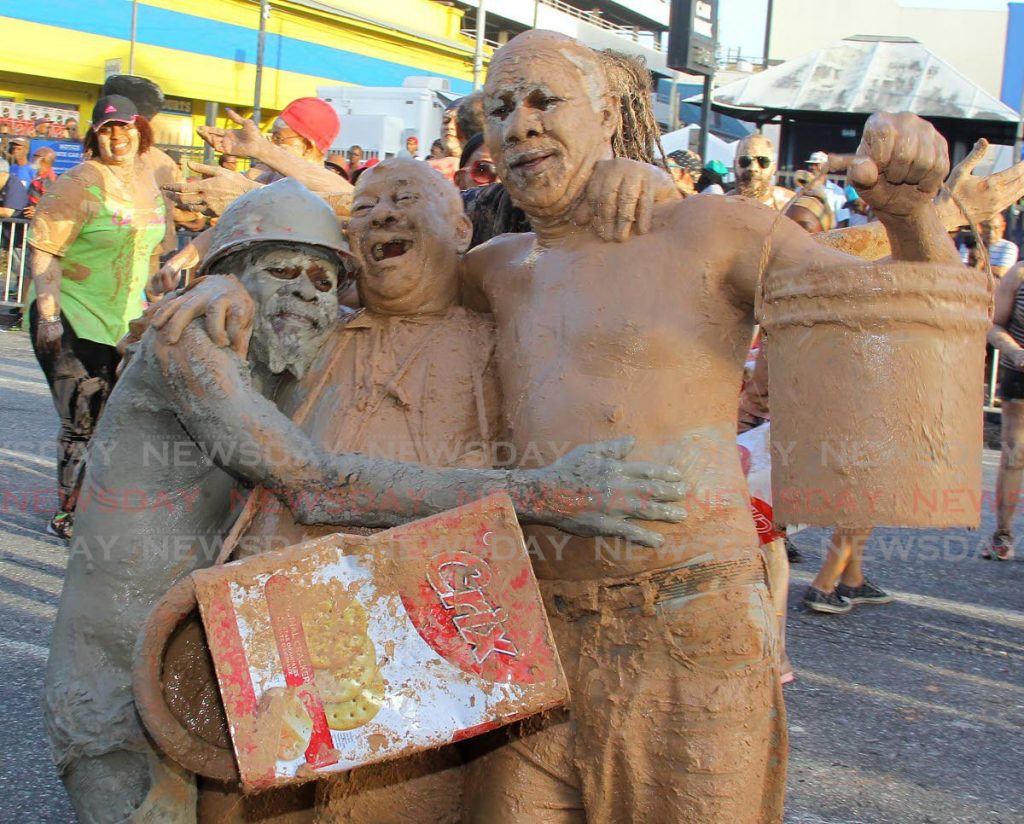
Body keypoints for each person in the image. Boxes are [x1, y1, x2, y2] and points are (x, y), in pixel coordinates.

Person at [45, 176, 689, 823]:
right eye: (281, 269)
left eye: (324, 280)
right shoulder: (192, 335)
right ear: (233, 274)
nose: (305, 290)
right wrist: (539, 494)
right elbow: (316, 483)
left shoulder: (285, 340)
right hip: (116, 691)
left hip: (196, 671)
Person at [456, 29, 961, 824]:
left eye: (544, 101)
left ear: (608, 111)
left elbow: (902, 325)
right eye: (499, 108)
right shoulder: (492, 269)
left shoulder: (714, 231)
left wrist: (916, 217)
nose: (519, 125)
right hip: (536, 629)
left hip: (690, 626)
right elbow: (376, 300)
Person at [25, 95, 166, 540]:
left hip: (125, 320)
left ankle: (102, 504)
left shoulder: (149, 179)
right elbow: (45, 250)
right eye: (106, 130)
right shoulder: (79, 182)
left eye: (124, 127)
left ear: (140, 131)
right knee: (83, 415)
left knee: (120, 417)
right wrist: (48, 317)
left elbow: (153, 248)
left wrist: (160, 294)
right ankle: (70, 512)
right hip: (71, 314)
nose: (116, 137)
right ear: (95, 136)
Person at [985, 260, 1024, 560]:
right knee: (1015, 456)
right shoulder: (1019, 274)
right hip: (1020, 376)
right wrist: (1013, 350)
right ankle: (1003, 533)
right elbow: (993, 324)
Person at [730, 132, 794, 210]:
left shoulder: (791, 206)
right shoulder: (720, 206)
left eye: (762, 161)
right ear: (734, 165)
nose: (753, 168)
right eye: (745, 161)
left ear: (773, 168)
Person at [960, 211, 1018, 277]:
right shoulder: (969, 244)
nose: (991, 233)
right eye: (987, 227)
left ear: (1003, 227)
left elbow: (1001, 273)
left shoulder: (1009, 247)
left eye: (996, 228)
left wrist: (979, 265)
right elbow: (960, 269)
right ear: (980, 227)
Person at [804, 150, 850, 226]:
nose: (812, 167)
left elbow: (843, 219)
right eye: (811, 164)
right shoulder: (801, 189)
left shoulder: (837, 192)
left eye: (816, 165)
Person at [25, 146, 57, 217]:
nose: (32, 158)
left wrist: (37, 211)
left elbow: (51, 203)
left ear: (43, 159)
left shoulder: (48, 179)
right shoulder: (39, 176)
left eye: (35, 156)